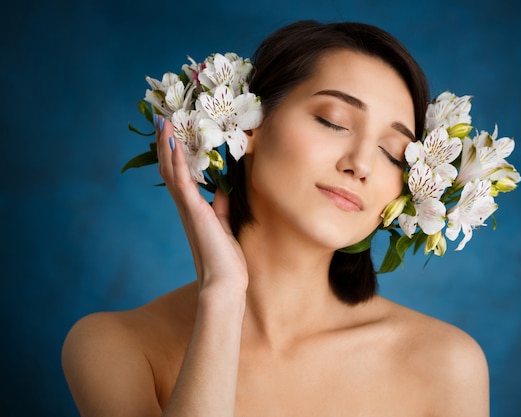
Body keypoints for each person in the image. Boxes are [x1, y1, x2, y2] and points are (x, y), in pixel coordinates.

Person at [62, 20, 490, 416]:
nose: (361, 164)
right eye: (332, 121)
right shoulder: (115, 345)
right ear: (249, 127)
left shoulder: (446, 363)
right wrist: (224, 296)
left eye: (393, 153)